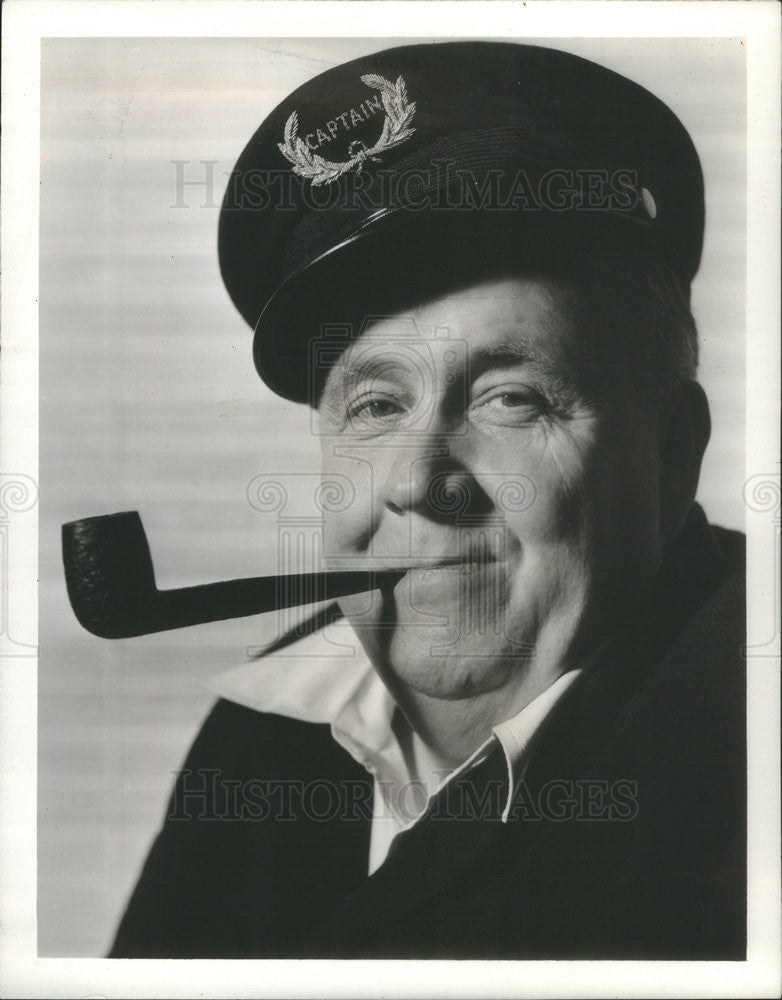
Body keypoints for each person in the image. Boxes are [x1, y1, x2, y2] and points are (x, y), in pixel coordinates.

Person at [109, 41, 745, 959]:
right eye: (375, 405)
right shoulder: (272, 725)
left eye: (509, 398)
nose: (417, 483)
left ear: (671, 454)